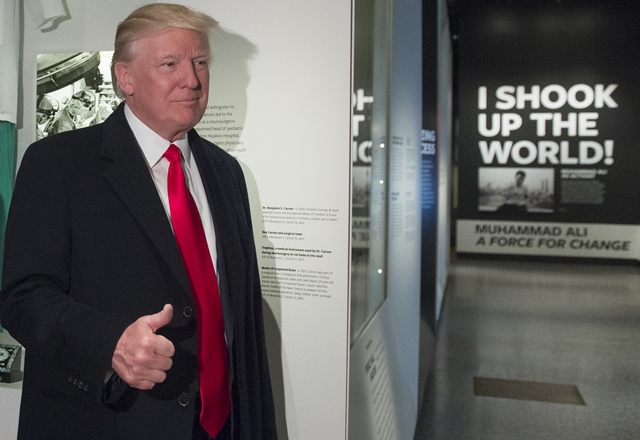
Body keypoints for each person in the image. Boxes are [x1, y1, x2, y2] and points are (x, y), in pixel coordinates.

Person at [0, 4, 277, 440]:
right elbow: (22, 297)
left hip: (219, 426)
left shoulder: (227, 174)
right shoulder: (58, 164)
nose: (192, 79)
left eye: (200, 62)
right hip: (107, 422)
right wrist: (108, 343)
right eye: (170, 64)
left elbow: (240, 322)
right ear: (124, 78)